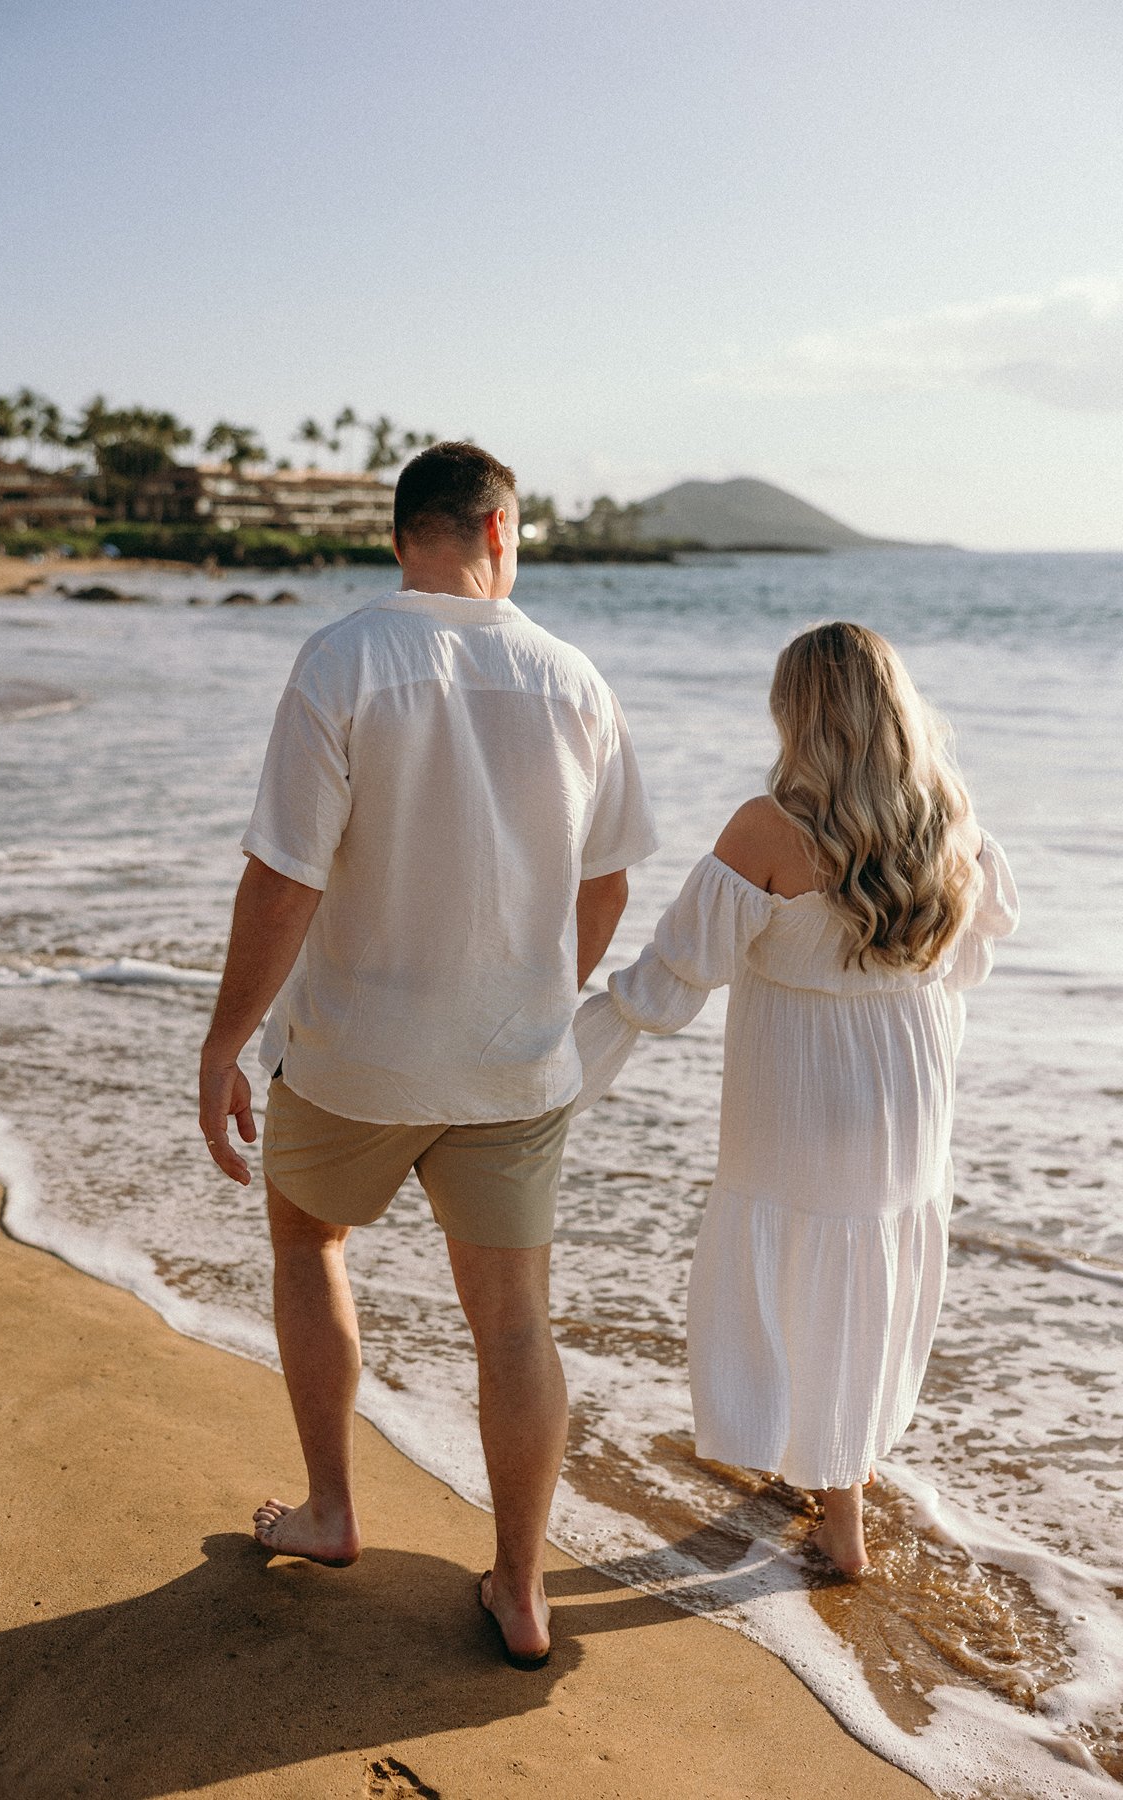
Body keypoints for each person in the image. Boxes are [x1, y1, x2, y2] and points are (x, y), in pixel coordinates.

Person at [199, 441, 657, 1666]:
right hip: (514, 1064)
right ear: (499, 534)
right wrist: (541, 995)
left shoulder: (344, 657)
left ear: (403, 538)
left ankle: (332, 1510)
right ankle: (520, 1587)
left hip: (355, 1053)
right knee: (512, 1317)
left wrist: (225, 1038)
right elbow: (609, 879)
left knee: (308, 1240)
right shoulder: (573, 676)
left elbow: (284, 877)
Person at [573, 621, 1019, 1576]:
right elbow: (972, 952)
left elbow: (673, 977)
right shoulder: (949, 812)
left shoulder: (768, 827)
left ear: (797, 714)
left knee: (801, 1273)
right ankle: (840, 1486)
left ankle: (836, 1508)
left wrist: (556, 1047)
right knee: (864, 1273)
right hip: (908, 1089)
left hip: (800, 1089)